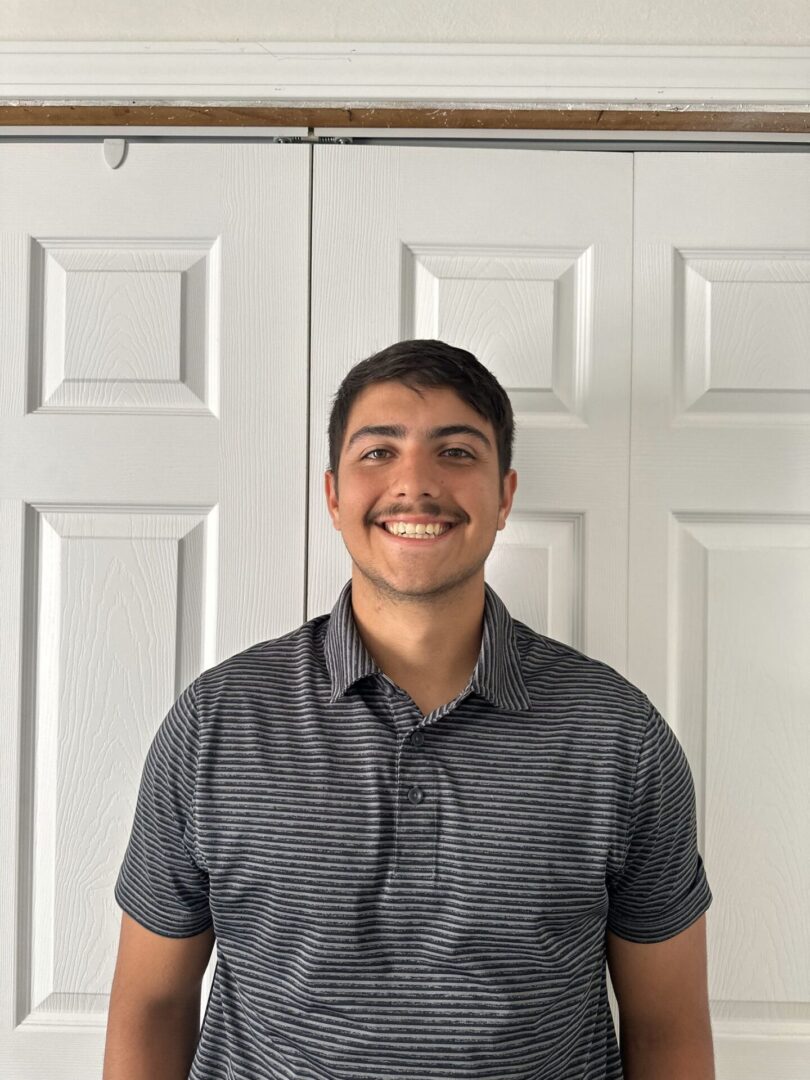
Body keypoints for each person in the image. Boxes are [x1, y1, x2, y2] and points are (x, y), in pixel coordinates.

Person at [104, 339, 714, 1079]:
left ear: (505, 495)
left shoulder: (618, 736)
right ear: (333, 495)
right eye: (378, 453)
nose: (415, 484)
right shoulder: (218, 724)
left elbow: (667, 1028)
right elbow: (152, 1009)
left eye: (456, 452)